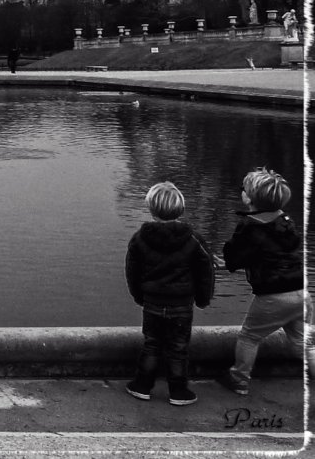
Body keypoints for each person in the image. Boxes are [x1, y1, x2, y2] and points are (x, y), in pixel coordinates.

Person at [218, 168, 312, 396]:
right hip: (301, 291)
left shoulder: (249, 226)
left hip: (274, 295)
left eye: (243, 190)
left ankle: (239, 379)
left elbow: (236, 254)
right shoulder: (285, 222)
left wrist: (226, 262)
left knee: (250, 336)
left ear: (248, 198)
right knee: (303, 342)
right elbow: (271, 251)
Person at [124, 181, 214, 405]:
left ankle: (142, 386)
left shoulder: (139, 238)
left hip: (152, 302)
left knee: (151, 344)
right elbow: (206, 271)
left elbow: (132, 271)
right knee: (179, 348)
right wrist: (203, 298)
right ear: (180, 208)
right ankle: (178, 391)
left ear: (151, 209)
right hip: (182, 304)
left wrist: (138, 295)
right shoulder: (193, 238)